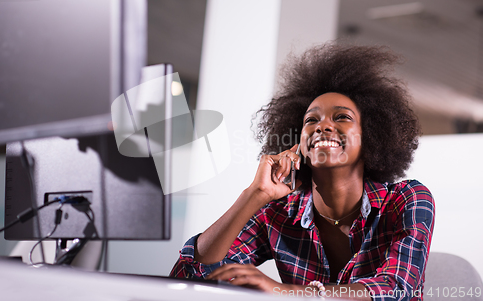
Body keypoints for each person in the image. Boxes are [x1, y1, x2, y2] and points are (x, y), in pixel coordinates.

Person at [170, 44, 435, 300]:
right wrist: (255, 194)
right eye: (311, 120)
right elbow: (190, 276)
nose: (323, 127)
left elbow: (396, 288)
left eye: (342, 117)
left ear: (372, 138)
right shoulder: (278, 214)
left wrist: (282, 292)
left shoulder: (407, 199)